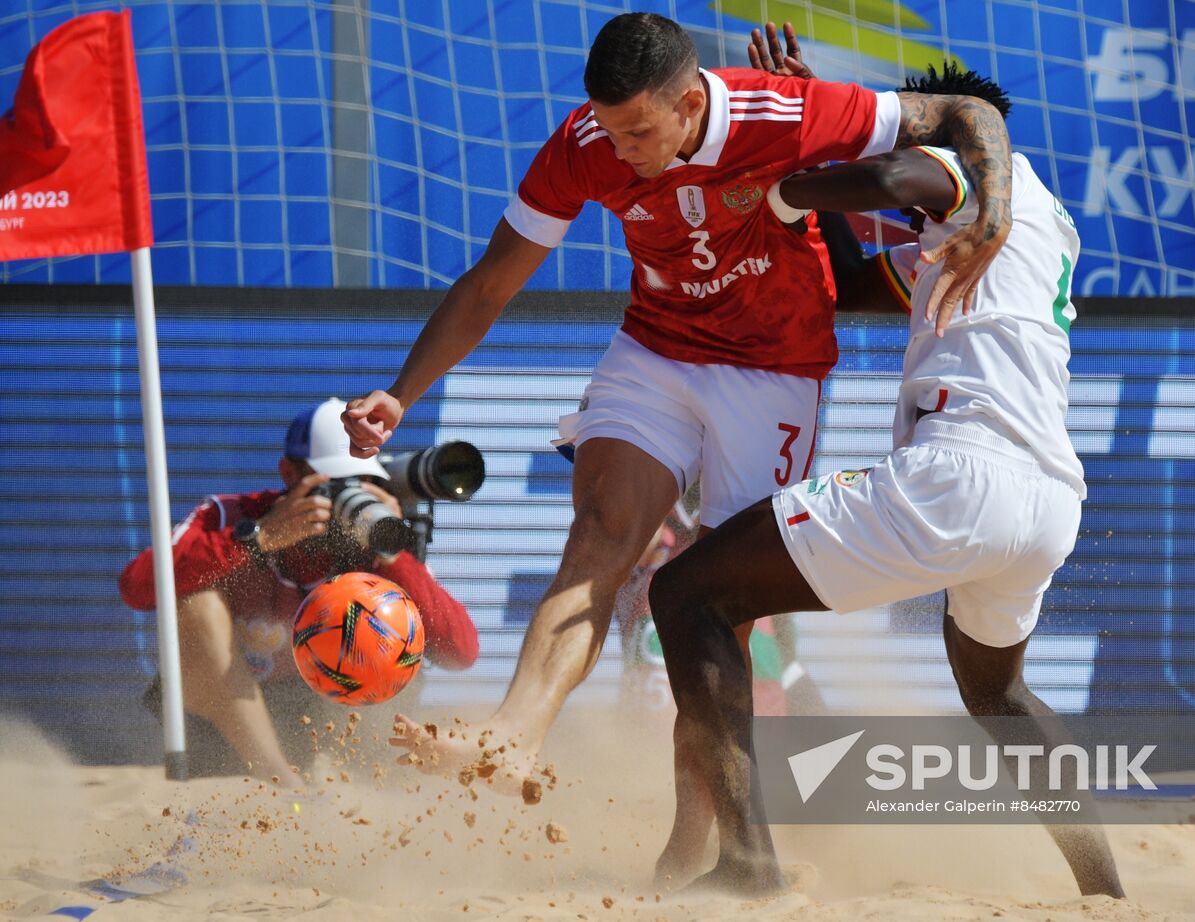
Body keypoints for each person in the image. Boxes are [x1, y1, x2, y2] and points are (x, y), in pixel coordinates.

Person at [359, 11, 1013, 794]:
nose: (622, 153)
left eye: (638, 132)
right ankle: (513, 737)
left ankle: (702, 826)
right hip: (657, 348)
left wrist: (992, 213)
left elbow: (967, 114)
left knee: (719, 606)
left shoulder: (779, 111)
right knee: (600, 534)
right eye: (610, 130)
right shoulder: (585, 146)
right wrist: (400, 395)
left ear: (691, 105)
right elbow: (489, 285)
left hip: (773, 370)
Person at [645, 59, 1127, 898]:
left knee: (688, 594)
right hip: (1048, 499)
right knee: (1001, 692)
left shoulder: (960, 164)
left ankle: (747, 863)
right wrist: (822, 131)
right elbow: (862, 285)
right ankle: (1105, 890)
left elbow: (895, 170)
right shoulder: (1039, 220)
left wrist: (792, 189)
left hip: (960, 476)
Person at [119, 398, 479, 783]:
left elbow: (460, 653)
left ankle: (347, 780)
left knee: (381, 607)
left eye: (364, 481)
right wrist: (258, 540)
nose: (350, 496)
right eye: (334, 483)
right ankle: (279, 781)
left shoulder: (376, 537)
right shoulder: (234, 516)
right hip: (232, 724)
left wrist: (392, 552)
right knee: (194, 599)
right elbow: (137, 587)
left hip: (338, 722)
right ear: (289, 473)